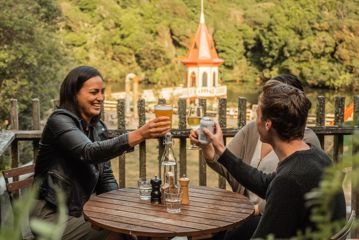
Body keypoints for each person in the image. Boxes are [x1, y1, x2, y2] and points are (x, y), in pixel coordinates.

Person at [190, 80, 346, 239]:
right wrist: (221, 150)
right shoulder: (315, 156)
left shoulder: (289, 180)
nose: (254, 120)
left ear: (267, 124)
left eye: (257, 113)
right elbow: (264, 182)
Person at [31, 66, 171, 240]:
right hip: (51, 216)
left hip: (80, 209)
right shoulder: (59, 121)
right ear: (74, 94)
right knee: (120, 229)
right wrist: (139, 134)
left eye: (102, 92)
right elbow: (88, 152)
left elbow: (106, 177)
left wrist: (120, 205)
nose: (101, 98)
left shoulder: (96, 127)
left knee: (143, 222)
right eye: (94, 92)